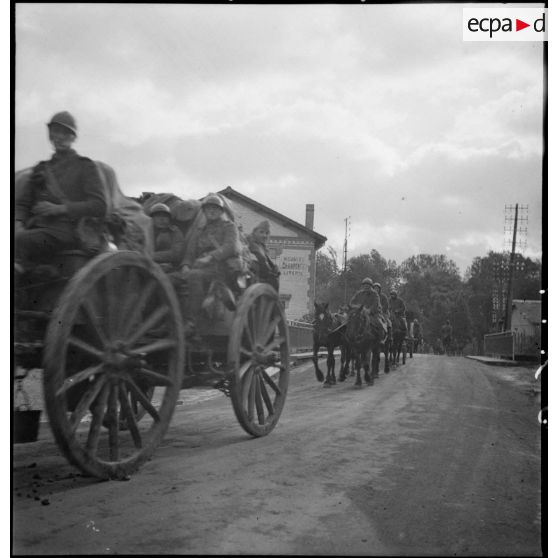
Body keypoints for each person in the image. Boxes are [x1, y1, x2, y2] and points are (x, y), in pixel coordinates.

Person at [15, 111, 107, 269]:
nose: (59, 137)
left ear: (73, 137)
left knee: (19, 241)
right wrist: (17, 222)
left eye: (65, 133)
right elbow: (23, 204)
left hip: (68, 231)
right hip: (36, 228)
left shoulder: (85, 166)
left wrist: (60, 209)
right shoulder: (40, 169)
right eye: (55, 132)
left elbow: (99, 205)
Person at [180, 193, 241, 334]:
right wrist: (185, 265)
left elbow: (231, 247)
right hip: (200, 267)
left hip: (220, 270)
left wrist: (210, 257)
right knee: (170, 278)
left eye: (215, 208)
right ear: (204, 211)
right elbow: (190, 251)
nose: (212, 211)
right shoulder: (200, 231)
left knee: (194, 275)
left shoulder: (228, 227)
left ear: (221, 211)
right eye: (209, 208)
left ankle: (193, 322)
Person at [149, 202, 185, 271]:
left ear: (169, 219)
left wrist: (150, 255)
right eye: (157, 216)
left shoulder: (175, 231)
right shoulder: (146, 231)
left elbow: (176, 254)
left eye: (165, 216)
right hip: (147, 264)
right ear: (152, 218)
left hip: (169, 267)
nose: (161, 219)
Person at [246, 220, 280, 290]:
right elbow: (261, 259)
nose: (264, 235)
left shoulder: (261, 246)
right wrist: (271, 273)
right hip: (254, 280)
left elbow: (267, 261)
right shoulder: (250, 243)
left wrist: (274, 268)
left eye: (267, 233)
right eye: (261, 232)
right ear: (254, 232)